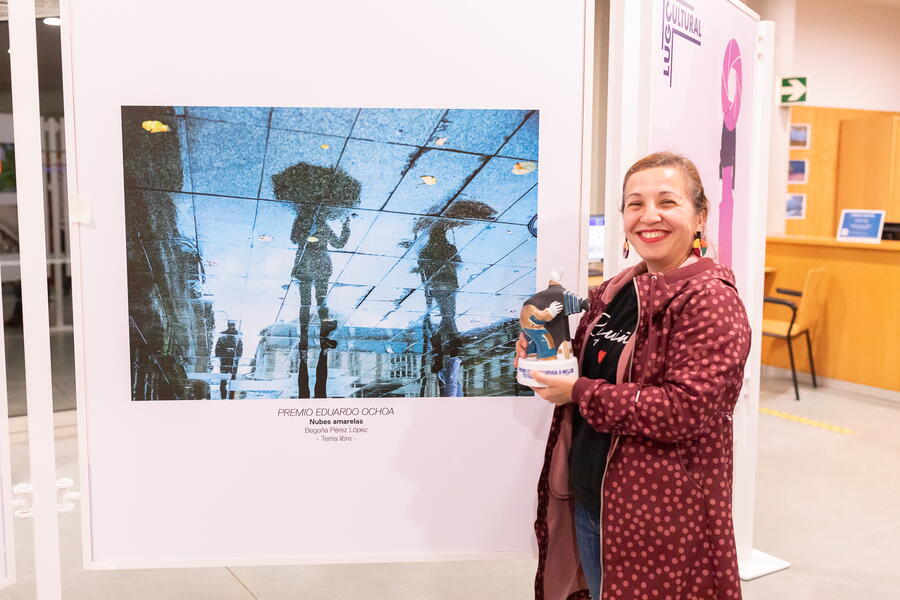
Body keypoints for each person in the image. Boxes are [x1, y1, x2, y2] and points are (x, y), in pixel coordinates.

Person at [518, 152, 751, 600]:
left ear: (700, 217)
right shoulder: (620, 288)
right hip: (594, 499)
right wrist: (543, 351)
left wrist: (578, 391)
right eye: (635, 204)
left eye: (667, 202)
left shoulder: (710, 300)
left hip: (660, 516)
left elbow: (683, 410)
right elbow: (585, 365)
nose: (649, 216)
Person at [214, 320, 243, 400]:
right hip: (225, 359)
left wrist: (237, 356)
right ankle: (223, 396)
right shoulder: (223, 335)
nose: (232, 326)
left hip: (233, 360)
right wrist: (222, 355)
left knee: (233, 378)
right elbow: (218, 348)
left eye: (233, 324)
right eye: (231, 324)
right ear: (228, 325)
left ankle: (231, 396)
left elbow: (240, 348)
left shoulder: (238, 335)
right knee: (223, 378)